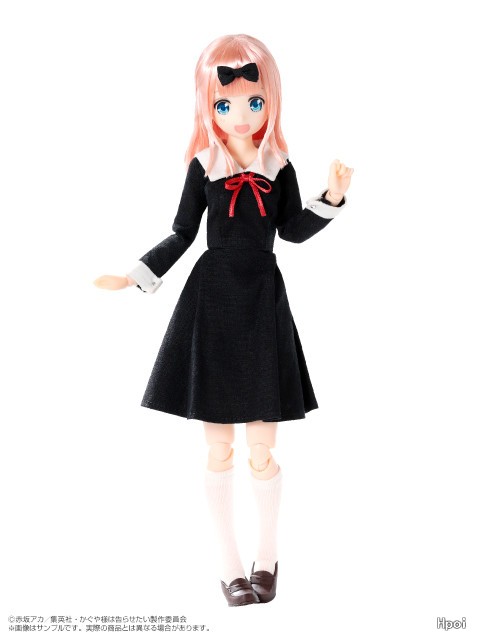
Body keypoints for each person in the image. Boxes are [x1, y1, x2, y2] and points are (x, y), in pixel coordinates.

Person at [94, 33, 354, 606]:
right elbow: (182, 234)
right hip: (212, 302)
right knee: (219, 448)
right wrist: (135, 274)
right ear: (207, 105)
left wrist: (331, 199)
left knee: (262, 446)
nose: (240, 114)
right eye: (225, 102)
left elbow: (292, 231)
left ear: (270, 101)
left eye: (254, 101)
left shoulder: (279, 166)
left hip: (262, 300)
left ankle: (268, 559)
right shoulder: (204, 165)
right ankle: (229, 568)